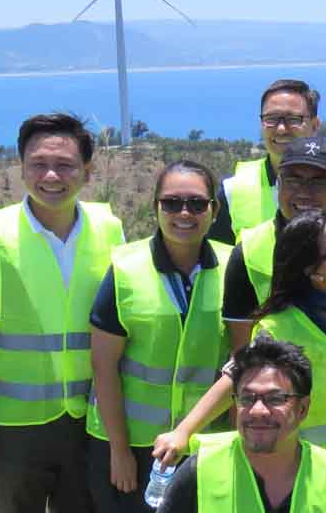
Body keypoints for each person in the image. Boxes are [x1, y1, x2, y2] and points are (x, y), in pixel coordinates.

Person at [155, 210, 326, 511]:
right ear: (312, 269)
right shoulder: (281, 326)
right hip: (324, 482)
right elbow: (237, 374)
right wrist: (184, 431)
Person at [0, 113, 124, 513]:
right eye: (38, 164)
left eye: (64, 165)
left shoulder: (110, 230)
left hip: (88, 421)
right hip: (15, 431)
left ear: (87, 171)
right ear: (22, 168)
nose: (51, 175)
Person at [86, 160, 234, 513]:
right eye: (171, 203)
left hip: (203, 444)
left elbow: (242, 362)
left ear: (214, 210)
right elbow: (103, 366)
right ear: (155, 207)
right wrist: (119, 451)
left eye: (197, 203)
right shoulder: (125, 268)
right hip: (132, 446)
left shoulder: (233, 266)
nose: (184, 212)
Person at [157, 336, 326, 513]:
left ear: (302, 409)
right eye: (247, 399)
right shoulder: (199, 470)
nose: (258, 411)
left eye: (275, 399)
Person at [218, 136, 326, 341]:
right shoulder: (248, 252)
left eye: (318, 182)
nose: (304, 193)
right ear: (279, 184)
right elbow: (242, 350)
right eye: (293, 180)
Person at [207, 78, 326, 243]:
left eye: (293, 120)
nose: (281, 129)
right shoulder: (231, 192)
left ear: (315, 125)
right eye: (271, 119)